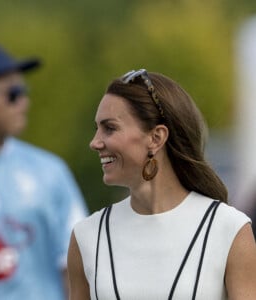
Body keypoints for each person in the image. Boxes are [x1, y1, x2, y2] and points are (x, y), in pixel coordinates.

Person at [68, 69, 256, 299]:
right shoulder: (87, 236)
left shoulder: (229, 229)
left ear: (156, 138)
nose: (95, 142)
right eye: (97, 128)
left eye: (110, 128)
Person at [0, 42, 87, 300]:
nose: (24, 102)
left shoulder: (51, 171)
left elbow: (75, 266)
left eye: (24, 91)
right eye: (12, 93)